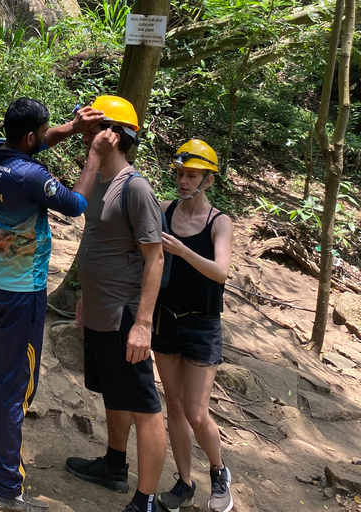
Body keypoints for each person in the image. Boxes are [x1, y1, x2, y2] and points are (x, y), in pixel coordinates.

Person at [0, 97, 114, 512]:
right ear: (29, 137)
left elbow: (36, 143)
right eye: (45, 130)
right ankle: (7, 488)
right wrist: (93, 155)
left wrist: (70, 127)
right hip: (22, 292)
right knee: (17, 386)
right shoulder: (32, 176)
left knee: (0, 370)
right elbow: (76, 204)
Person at [65, 95, 167, 512]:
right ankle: (113, 464)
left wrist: (143, 324)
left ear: (116, 135)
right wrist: (86, 299)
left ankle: (145, 499)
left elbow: (155, 257)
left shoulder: (135, 187)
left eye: (95, 127)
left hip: (126, 316)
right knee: (113, 392)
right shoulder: (99, 182)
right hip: (100, 310)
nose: (86, 132)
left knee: (143, 404)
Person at [151, 140, 233, 512]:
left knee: (198, 412)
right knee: (176, 407)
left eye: (192, 176)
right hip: (165, 320)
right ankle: (184, 483)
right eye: (181, 174)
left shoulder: (220, 221)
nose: (184, 181)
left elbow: (220, 272)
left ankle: (219, 472)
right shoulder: (165, 210)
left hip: (202, 325)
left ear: (208, 181)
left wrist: (182, 250)